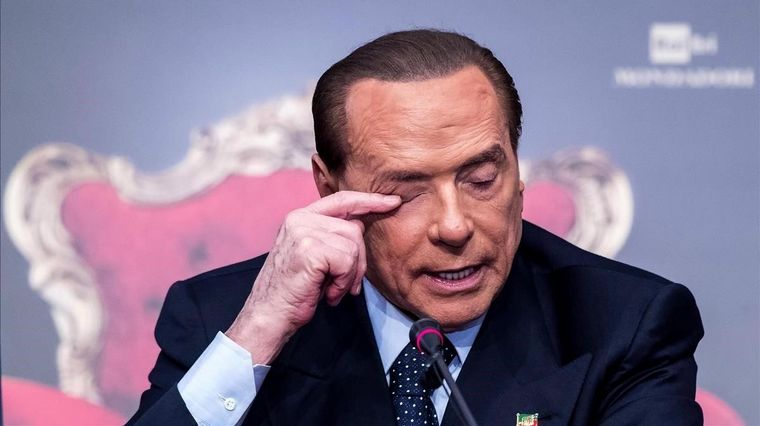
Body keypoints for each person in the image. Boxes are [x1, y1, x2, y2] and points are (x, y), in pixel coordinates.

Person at [128, 29, 703, 425]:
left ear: (518, 171)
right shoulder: (223, 318)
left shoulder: (623, 325)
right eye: (405, 193)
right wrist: (258, 335)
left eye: (481, 179)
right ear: (329, 189)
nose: (454, 226)